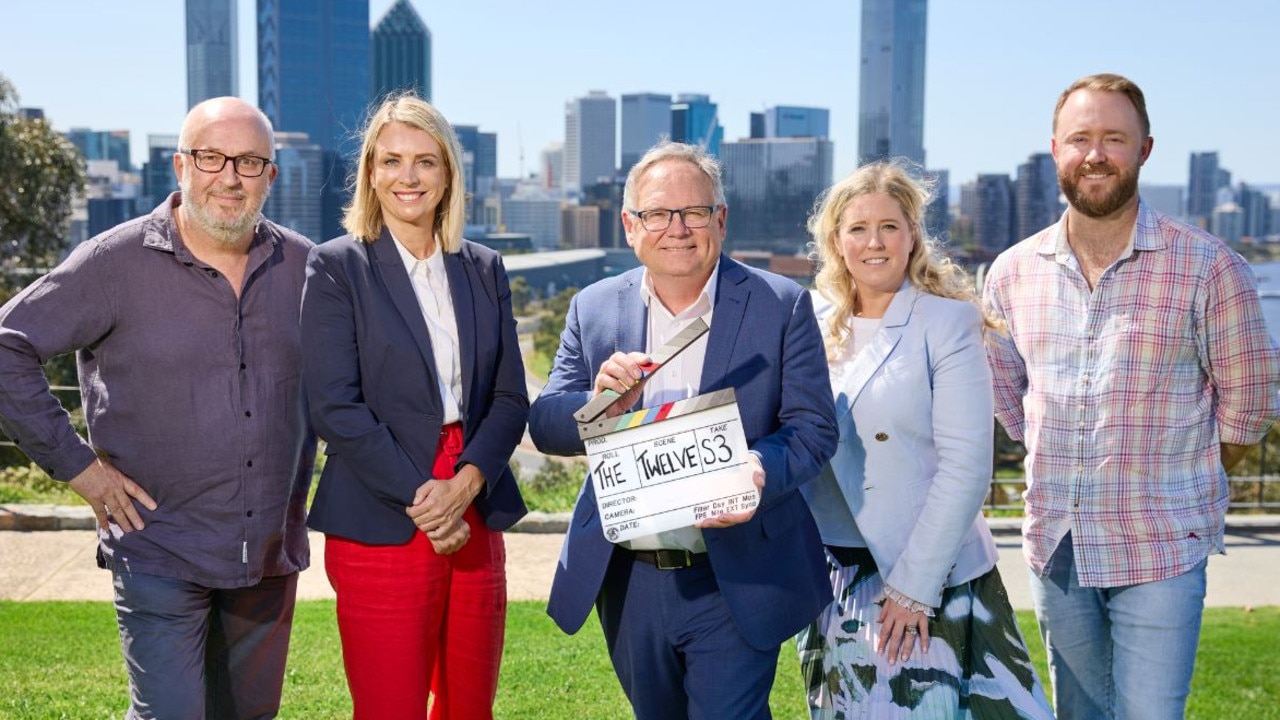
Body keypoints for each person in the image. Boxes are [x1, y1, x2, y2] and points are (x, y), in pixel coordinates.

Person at [0, 97, 315, 719]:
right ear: (180, 166)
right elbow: (7, 348)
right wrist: (79, 469)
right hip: (158, 546)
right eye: (211, 157)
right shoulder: (112, 263)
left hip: (269, 553)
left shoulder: (306, 266)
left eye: (249, 162)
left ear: (271, 176)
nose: (229, 176)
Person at [983, 73, 1280, 720]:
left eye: (1114, 138)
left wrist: (1177, 481)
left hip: (1162, 544)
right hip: (1055, 544)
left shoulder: (1210, 267)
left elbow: (1248, 407)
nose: (1095, 154)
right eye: (1080, 138)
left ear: (1145, 149)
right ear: (1054, 149)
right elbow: (1011, 404)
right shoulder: (1009, 274)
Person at [528, 141, 838, 720]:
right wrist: (598, 406)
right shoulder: (592, 308)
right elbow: (547, 424)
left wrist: (758, 469)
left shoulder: (780, 305)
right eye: (657, 214)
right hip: (631, 577)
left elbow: (813, 429)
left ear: (720, 219)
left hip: (735, 571)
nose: (678, 228)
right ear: (629, 225)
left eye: (695, 212)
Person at [797, 162, 1054, 719]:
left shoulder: (947, 322)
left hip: (922, 572)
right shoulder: (806, 320)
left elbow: (966, 468)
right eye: (857, 227)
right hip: (831, 572)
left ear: (912, 235)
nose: (874, 242)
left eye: (890, 225)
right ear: (836, 240)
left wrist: (914, 588)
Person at [300, 94, 528, 720]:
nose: (409, 177)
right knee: (389, 706)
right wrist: (428, 500)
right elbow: (334, 407)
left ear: (448, 173)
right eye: (392, 161)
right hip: (383, 499)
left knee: (469, 704)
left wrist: (468, 482)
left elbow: (510, 396)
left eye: (425, 162)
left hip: (474, 492)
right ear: (371, 172)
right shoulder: (336, 267)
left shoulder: (483, 268)